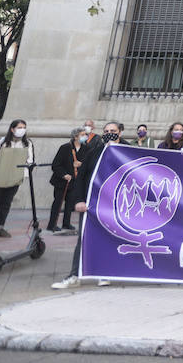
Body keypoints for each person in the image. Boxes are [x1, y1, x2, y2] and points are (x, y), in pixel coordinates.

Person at [51, 121, 120, 289]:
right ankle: (75, 275)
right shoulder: (94, 152)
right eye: (106, 131)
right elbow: (81, 178)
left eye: (113, 130)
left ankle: (103, 273)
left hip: (114, 205)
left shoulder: (127, 152)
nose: (109, 133)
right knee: (84, 238)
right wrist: (79, 200)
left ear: (120, 132)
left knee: (109, 238)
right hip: (92, 203)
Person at [0, 119, 34, 240]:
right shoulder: (2, 142)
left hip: (14, 180)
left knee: (6, 204)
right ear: (12, 129)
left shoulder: (27, 144)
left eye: (24, 127)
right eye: (19, 127)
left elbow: (29, 162)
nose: (22, 130)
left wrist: (21, 176)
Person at [48, 128, 86, 235]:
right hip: (62, 181)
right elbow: (56, 164)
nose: (85, 137)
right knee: (58, 203)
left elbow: (87, 163)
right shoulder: (65, 148)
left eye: (85, 134)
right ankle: (52, 224)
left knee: (69, 204)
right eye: (82, 135)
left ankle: (66, 223)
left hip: (75, 181)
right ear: (75, 137)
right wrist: (64, 175)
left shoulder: (86, 148)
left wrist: (81, 164)